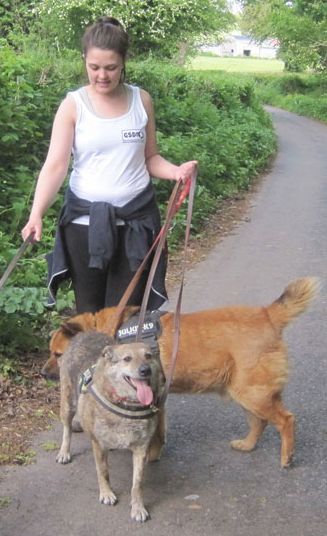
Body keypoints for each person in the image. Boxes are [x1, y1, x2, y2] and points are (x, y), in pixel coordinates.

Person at [21, 16, 197, 314]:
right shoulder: (73, 105)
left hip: (136, 225)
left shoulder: (141, 100)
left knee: (125, 317)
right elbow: (56, 165)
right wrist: (36, 213)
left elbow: (150, 158)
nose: (102, 75)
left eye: (111, 68)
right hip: (84, 227)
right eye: (94, 67)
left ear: (124, 62)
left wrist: (176, 172)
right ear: (84, 62)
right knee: (89, 316)